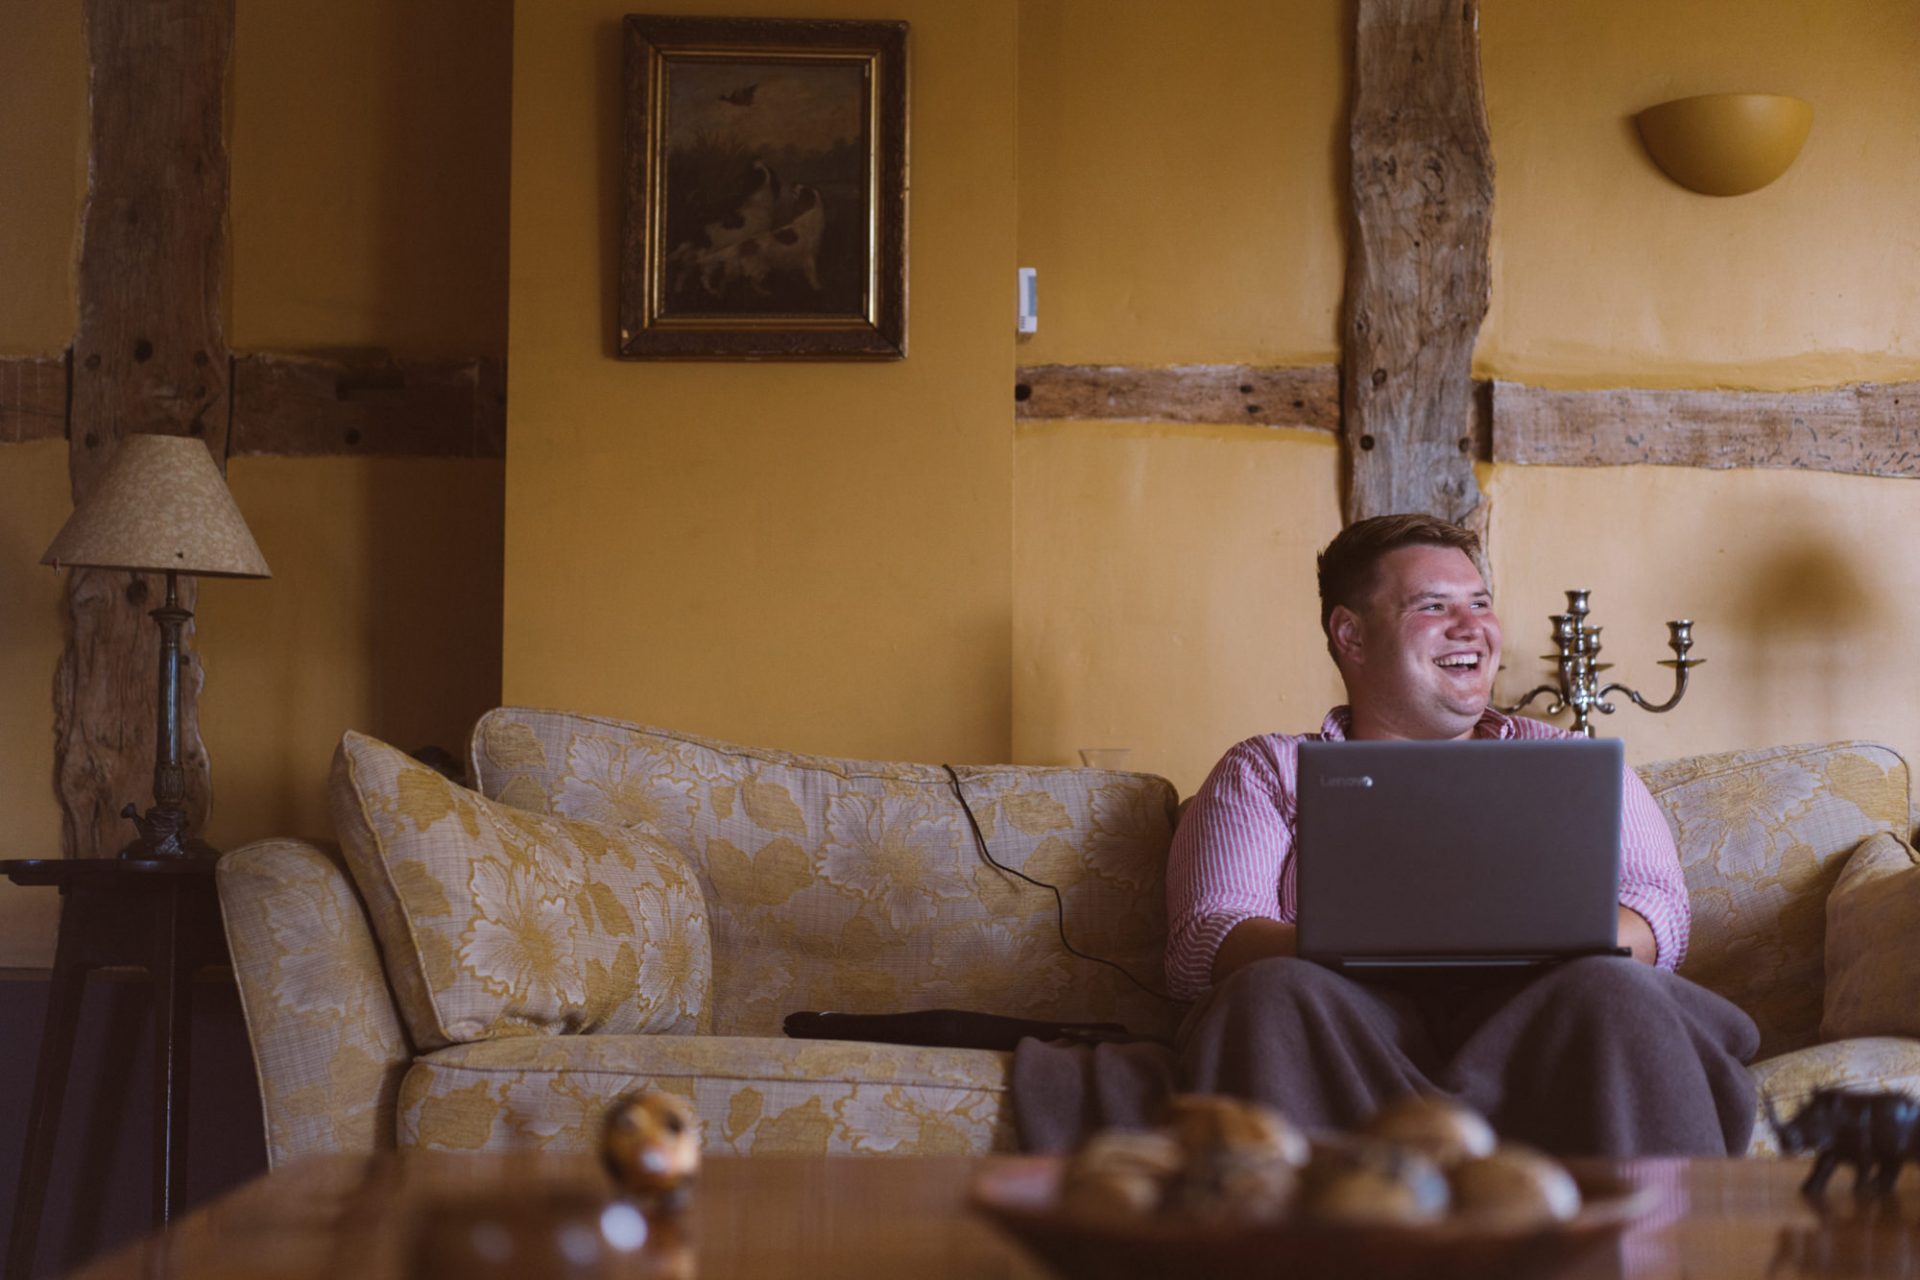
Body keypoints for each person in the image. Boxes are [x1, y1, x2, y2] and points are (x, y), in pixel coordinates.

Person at [1160, 513, 1758, 1156]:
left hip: (1545, 1031)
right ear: (1351, 634)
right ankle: (1347, 1211)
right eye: (1433, 606)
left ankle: (1642, 1218)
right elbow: (1206, 937)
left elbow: (1658, 913)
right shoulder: (1267, 768)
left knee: (1615, 990)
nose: (1472, 626)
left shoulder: (1569, 761)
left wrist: (1527, 942)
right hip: (1342, 1037)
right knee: (1270, 992)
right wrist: (1371, 945)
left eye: (1480, 603)